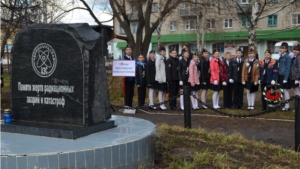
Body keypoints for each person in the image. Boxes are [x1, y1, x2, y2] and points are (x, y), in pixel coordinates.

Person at [277, 42, 292, 111]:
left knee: (286, 91)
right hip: (280, 75)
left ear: (286, 49)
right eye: (280, 48)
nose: (281, 49)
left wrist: (286, 78)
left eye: (283, 48)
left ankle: (287, 105)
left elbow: (288, 68)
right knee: (282, 90)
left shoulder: (287, 57)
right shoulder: (281, 56)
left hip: (284, 76)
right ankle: (284, 104)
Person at [155, 45, 168, 111]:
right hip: (160, 78)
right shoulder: (158, 58)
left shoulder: (165, 58)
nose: (164, 53)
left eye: (164, 51)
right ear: (160, 52)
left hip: (164, 77)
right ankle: (161, 104)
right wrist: (159, 78)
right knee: (160, 91)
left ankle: (163, 103)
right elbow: (157, 69)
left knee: (163, 91)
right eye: (162, 52)